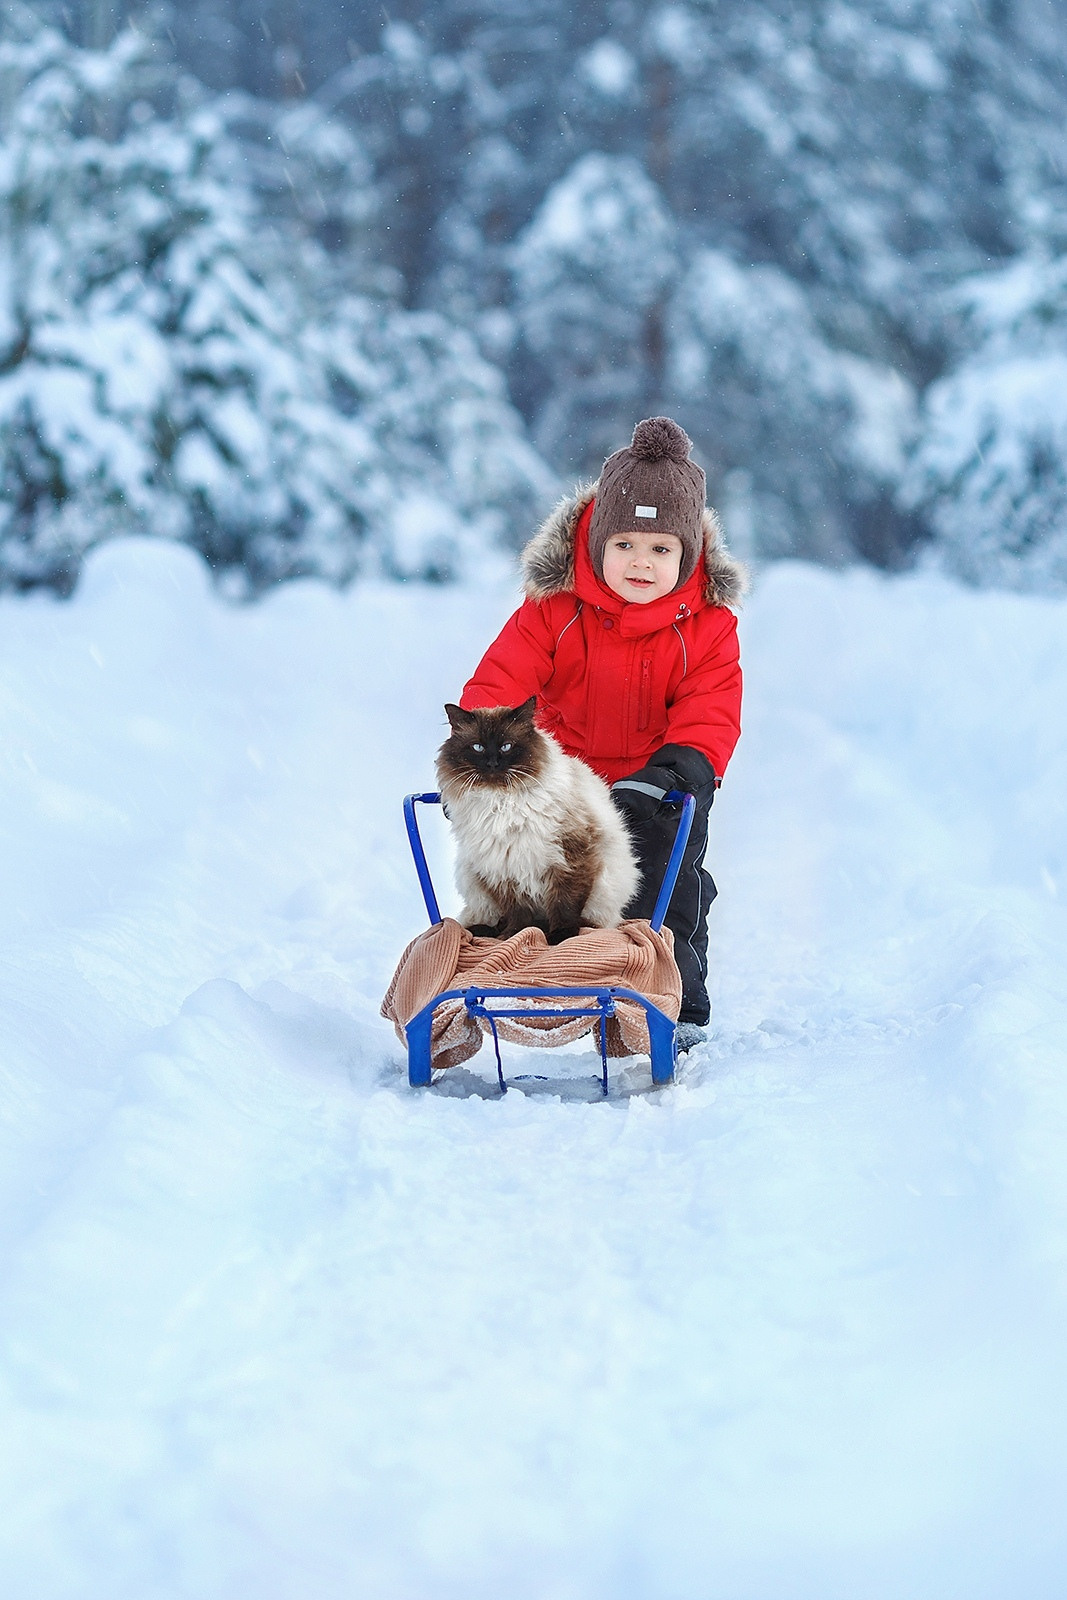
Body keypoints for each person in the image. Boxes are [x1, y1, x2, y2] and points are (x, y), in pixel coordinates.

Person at [458, 416, 745, 1048]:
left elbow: (712, 703)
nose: (641, 563)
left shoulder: (706, 626)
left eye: (660, 550)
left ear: (688, 554)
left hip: (657, 781)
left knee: (666, 881)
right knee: (542, 878)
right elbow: (505, 676)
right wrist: (481, 744)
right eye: (626, 546)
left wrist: (683, 767)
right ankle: (537, 975)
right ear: (596, 545)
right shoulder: (554, 610)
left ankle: (674, 997)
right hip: (569, 782)